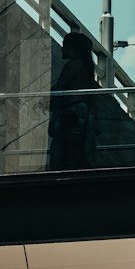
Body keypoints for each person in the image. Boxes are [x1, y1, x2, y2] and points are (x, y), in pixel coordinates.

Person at [49, 29, 99, 171]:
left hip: (70, 115)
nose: (62, 48)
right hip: (80, 116)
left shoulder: (74, 64)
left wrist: (43, 101)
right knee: (76, 153)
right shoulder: (86, 66)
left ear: (72, 48)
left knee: (61, 152)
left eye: (65, 45)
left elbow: (60, 87)